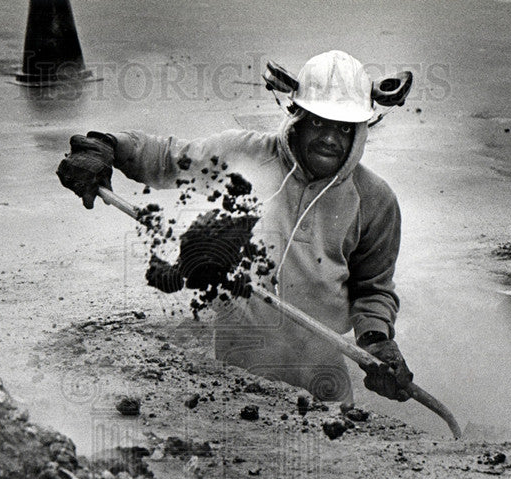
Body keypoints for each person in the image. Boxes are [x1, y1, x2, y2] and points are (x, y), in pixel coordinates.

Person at [57, 50, 413, 403]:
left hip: (323, 368)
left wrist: (377, 341)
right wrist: (107, 146)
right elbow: (167, 157)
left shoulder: (375, 200)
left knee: (335, 450)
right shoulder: (244, 155)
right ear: (298, 115)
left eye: (345, 127)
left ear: (361, 131)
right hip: (236, 359)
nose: (331, 138)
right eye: (320, 121)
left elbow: (372, 288)